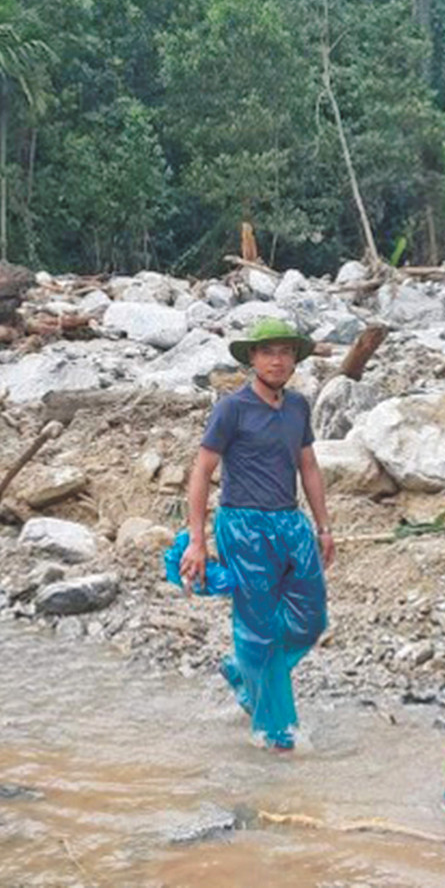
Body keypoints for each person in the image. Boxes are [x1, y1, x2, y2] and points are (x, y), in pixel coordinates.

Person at [180, 317, 336, 751]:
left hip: (290, 522)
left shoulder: (298, 406)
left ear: (295, 360)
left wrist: (323, 528)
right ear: (252, 359)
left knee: (310, 620)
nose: (277, 360)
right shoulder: (231, 408)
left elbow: (308, 466)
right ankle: (276, 733)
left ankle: (244, 670)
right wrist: (197, 540)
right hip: (243, 526)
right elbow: (202, 471)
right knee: (260, 630)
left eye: (286, 352)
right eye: (268, 352)